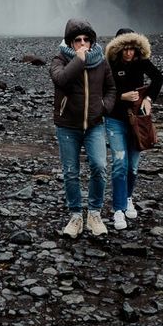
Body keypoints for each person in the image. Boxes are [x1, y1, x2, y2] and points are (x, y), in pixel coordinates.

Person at [49, 18, 117, 238]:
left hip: (95, 125)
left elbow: (111, 89)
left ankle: (94, 214)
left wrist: (104, 107)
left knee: (99, 167)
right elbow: (61, 80)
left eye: (86, 39)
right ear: (70, 43)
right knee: (70, 172)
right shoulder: (59, 60)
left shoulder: (102, 62)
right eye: (77, 40)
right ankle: (76, 216)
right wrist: (78, 60)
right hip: (67, 126)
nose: (83, 43)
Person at [103, 28, 163, 230]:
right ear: (118, 48)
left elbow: (158, 78)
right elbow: (102, 89)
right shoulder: (110, 65)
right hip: (115, 120)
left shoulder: (141, 63)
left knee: (133, 166)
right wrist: (121, 96)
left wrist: (148, 99)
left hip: (136, 121)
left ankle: (128, 197)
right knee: (120, 163)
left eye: (132, 49)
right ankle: (118, 209)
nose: (129, 53)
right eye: (125, 49)